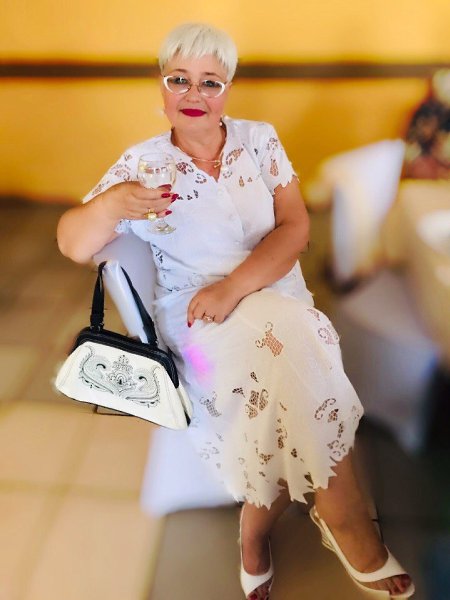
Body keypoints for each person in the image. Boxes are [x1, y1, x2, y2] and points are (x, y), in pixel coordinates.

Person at [57, 22, 415, 600]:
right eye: (179, 80)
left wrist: (235, 287)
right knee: (303, 351)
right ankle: (345, 517)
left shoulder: (259, 141)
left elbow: (295, 228)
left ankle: (256, 534)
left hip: (276, 297)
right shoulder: (142, 164)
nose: (193, 95)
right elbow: (73, 243)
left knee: (293, 347)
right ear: (161, 85)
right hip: (198, 323)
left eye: (210, 82)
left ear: (228, 88)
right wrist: (111, 204)